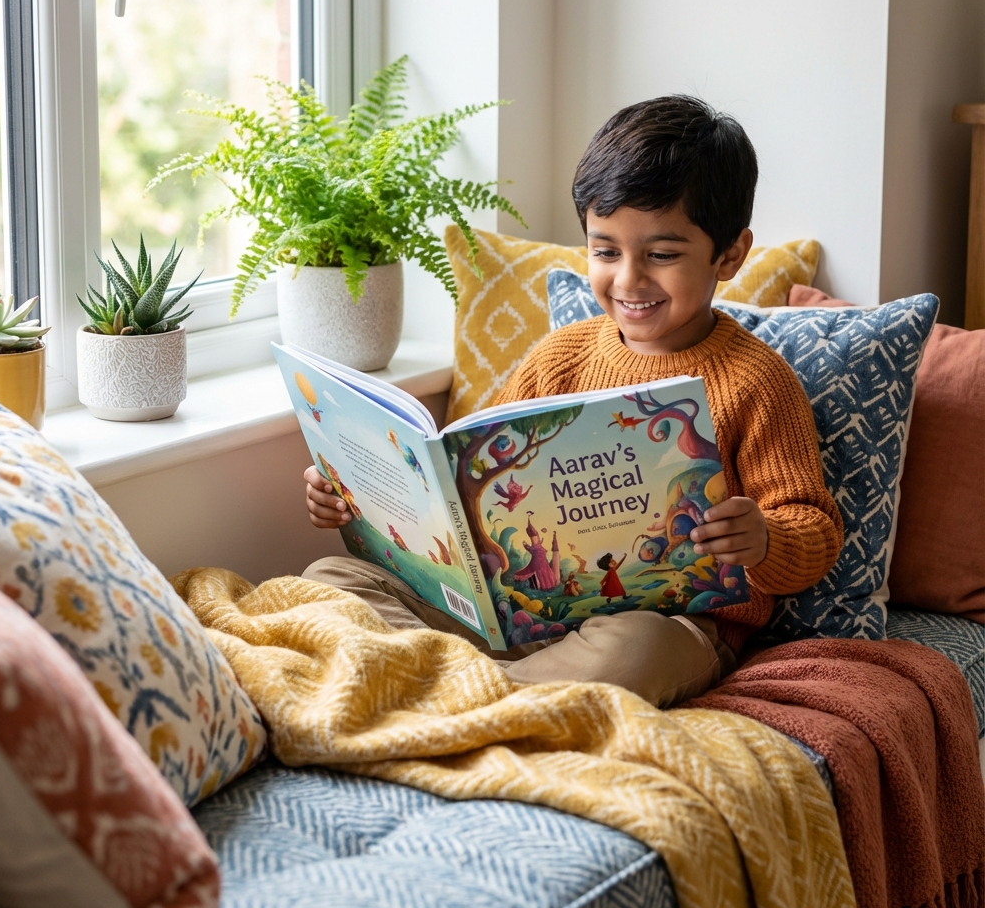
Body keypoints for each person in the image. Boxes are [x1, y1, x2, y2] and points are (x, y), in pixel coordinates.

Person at [302, 95, 843, 708]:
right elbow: (453, 477)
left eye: (662, 255)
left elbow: (814, 528)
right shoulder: (560, 356)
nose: (629, 280)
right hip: (516, 614)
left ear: (729, 254)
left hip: (665, 623)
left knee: (635, 648)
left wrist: (763, 538)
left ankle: (452, 694)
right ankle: (479, 686)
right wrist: (359, 500)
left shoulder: (756, 381)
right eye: (605, 250)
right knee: (330, 582)